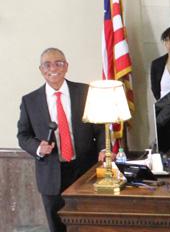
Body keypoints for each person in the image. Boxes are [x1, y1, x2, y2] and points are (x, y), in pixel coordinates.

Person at [17, 48, 105, 232]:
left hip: (84, 171)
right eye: (47, 65)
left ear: (66, 67)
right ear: (41, 70)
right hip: (50, 174)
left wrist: (103, 150)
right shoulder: (30, 101)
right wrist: (38, 148)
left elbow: (101, 128)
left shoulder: (85, 92)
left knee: (88, 224)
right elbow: (23, 135)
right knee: (57, 226)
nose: (53, 68)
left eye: (59, 63)